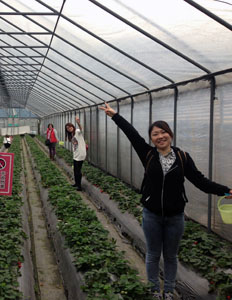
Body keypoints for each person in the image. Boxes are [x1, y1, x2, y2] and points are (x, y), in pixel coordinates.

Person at [99, 102, 232, 300]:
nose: (160, 136)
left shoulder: (183, 157)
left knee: (171, 256)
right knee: (153, 254)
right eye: (155, 134)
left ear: (170, 134)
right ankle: (154, 290)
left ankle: (168, 291)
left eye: (163, 132)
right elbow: (131, 133)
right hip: (151, 215)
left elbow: (200, 182)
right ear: (152, 139)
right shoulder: (148, 154)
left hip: (175, 217)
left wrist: (225, 191)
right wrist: (114, 115)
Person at [65, 116, 86, 191]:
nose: (69, 129)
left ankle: (79, 186)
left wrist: (78, 123)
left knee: (78, 170)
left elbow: (81, 129)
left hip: (81, 154)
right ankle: (76, 183)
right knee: (75, 170)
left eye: (70, 127)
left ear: (72, 126)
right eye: (67, 128)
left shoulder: (77, 131)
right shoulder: (71, 135)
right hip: (76, 154)